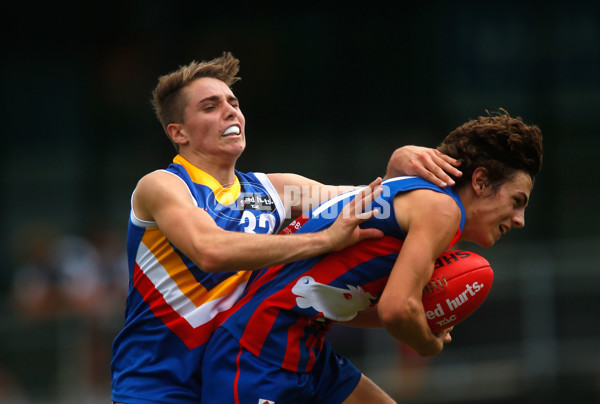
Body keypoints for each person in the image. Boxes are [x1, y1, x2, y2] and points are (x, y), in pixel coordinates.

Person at [110, 52, 462, 404]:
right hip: (157, 384)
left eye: (233, 102)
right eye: (210, 106)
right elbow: (210, 250)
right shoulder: (163, 186)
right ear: (179, 133)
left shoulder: (276, 190)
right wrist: (324, 239)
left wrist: (397, 169)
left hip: (246, 364)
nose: (231, 111)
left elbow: (370, 201)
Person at [199, 109, 543, 403]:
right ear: (481, 181)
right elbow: (397, 309)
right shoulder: (443, 211)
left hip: (300, 344)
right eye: (517, 201)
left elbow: (341, 304)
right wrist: (427, 341)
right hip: (258, 352)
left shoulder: (416, 196)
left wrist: (419, 316)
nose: (519, 220)